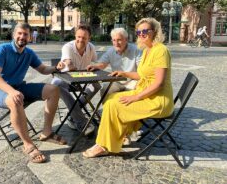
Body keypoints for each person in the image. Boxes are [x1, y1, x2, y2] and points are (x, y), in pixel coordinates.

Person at [83, 17, 174, 158]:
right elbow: (142, 75)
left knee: (114, 106)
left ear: (155, 31)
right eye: (139, 32)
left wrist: (135, 97)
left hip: (158, 100)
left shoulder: (160, 50)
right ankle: (118, 135)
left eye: (145, 31)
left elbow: (159, 83)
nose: (142, 34)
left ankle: (104, 145)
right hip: (146, 93)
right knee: (110, 99)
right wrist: (124, 73)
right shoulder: (147, 50)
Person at [0, 23, 67, 164]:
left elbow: (42, 69)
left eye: (25, 34)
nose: (22, 37)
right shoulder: (1, 49)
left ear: (30, 37)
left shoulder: (28, 53)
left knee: (53, 89)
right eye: (20, 33)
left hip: (19, 88)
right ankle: (28, 144)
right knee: (15, 99)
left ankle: (47, 133)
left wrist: (56, 67)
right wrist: (11, 91)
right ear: (14, 34)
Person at [51, 24, 100, 136]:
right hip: (67, 81)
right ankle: (81, 122)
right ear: (75, 36)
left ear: (89, 38)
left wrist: (95, 66)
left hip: (82, 79)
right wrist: (69, 63)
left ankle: (72, 114)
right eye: (78, 37)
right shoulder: (67, 47)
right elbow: (67, 60)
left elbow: (95, 61)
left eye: (84, 38)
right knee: (56, 84)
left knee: (96, 85)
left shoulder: (91, 47)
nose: (80, 40)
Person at [87, 28, 142, 96]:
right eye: (114, 40)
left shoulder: (136, 50)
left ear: (126, 40)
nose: (116, 43)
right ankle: (107, 107)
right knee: (105, 89)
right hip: (116, 81)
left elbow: (141, 73)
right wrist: (95, 66)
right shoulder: (111, 51)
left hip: (132, 81)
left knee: (131, 93)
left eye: (119, 40)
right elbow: (102, 64)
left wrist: (124, 74)